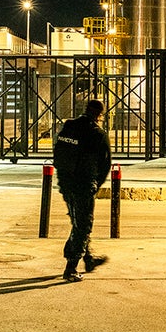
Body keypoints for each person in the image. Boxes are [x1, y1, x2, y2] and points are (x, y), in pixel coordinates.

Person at [53, 98, 111, 282]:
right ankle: (71, 267)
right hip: (83, 185)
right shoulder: (98, 134)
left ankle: (88, 258)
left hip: (65, 182)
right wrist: (95, 184)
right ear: (100, 115)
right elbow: (105, 164)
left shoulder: (69, 127)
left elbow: (57, 153)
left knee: (77, 220)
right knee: (83, 225)